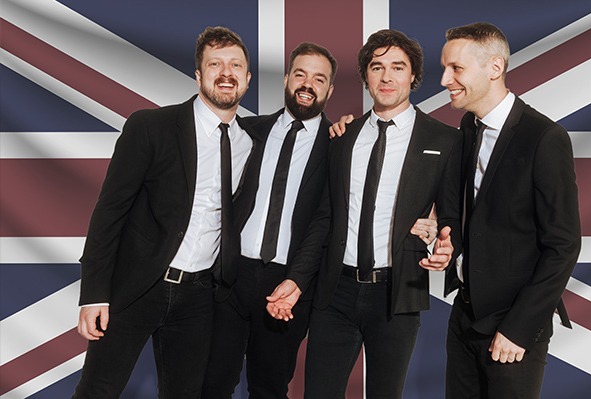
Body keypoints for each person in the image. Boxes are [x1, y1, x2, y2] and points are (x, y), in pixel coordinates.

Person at [72, 26, 257, 399]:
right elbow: (109, 212)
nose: (226, 72)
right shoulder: (151, 127)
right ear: (198, 75)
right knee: (97, 392)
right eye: (215, 64)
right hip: (138, 287)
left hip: (199, 297)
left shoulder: (250, 142)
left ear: (247, 78)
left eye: (235, 64)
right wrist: (93, 294)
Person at [302, 29, 463, 398]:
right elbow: (325, 214)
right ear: (366, 76)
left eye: (397, 67)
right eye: (377, 67)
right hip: (335, 293)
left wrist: (443, 237)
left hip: (397, 293)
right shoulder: (342, 136)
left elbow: (453, 215)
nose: (387, 77)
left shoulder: (444, 140)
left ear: (413, 76)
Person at [440, 22, 581, 398]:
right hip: (464, 316)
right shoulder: (468, 126)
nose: (444, 79)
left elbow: (563, 245)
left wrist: (518, 328)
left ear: (494, 68)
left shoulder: (545, 138)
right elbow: (462, 212)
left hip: (513, 325)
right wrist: (445, 243)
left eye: (455, 68)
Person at [200, 42, 337, 399]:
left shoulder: (340, 146)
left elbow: (325, 222)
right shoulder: (248, 130)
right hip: (230, 278)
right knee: (211, 384)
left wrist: (297, 280)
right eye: (301, 74)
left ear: (329, 90)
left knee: (269, 388)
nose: (308, 84)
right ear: (287, 79)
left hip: (288, 283)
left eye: (319, 79)